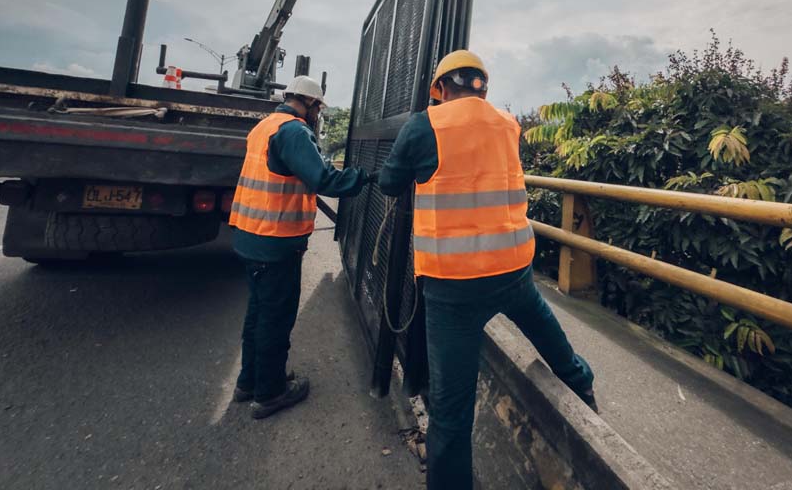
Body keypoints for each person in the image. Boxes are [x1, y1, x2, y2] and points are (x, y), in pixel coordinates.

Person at [378, 50, 596, 489]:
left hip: (452, 287)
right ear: (483, 86)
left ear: (439, 89)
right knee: (546, 330)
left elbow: (388, 182)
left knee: (451, 414)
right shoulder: (507, 123)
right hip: (512, 268)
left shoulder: (424, 125)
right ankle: (582, 386)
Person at [229, 75, 373, 419]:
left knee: (258, 313)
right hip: (275, 240)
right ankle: (270, 393)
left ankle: (250, 381)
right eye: (318, 108)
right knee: (275, 318)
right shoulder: (294, 131)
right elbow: (324, 178)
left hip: (249, 235)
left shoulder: (264, 126)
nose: (318, 114)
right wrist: (365, 176)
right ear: (310, 104)